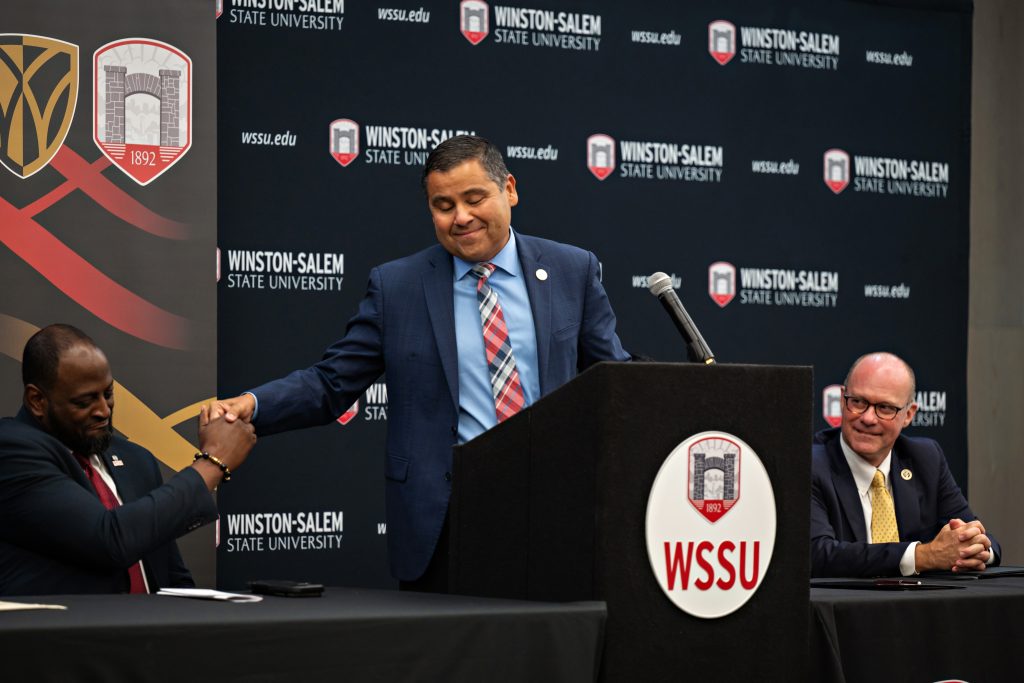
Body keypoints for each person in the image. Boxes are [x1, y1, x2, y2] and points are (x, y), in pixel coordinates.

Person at [215, 135, 630, 589]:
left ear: (509, 189)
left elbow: (613, 383)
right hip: (446, 521)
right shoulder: (398, 287)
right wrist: (253, 404)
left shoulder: (573, 270)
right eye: (444, 205)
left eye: (475, 199)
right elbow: (331, 382)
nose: (462, 217)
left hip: (555, 514)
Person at [0, 324, 256, 595]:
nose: (103, 411)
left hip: (149, 634)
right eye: (84, 401)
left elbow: (172, 577)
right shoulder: (11, 450)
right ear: (37, 400)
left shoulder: (136, 461)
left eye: (107, 394)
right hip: (69, 634)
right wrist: (212, 463)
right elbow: (108, 541)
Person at [811, 351, 1000, 577]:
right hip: (846, 609)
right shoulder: (811, 463)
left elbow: (973, 532)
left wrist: (978, 550)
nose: (868, 418)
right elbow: (818, 554)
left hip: (916, 609)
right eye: (858, 402)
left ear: (909, 414)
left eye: (885, 408)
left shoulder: (926, 458)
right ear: (842, 400)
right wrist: (923, 556)